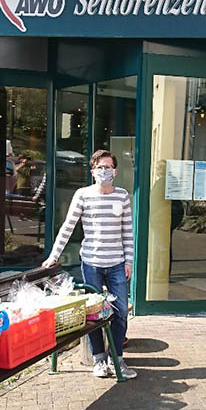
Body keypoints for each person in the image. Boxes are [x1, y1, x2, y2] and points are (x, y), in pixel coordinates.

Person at [42, 150, 136, 380]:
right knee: (93, 314)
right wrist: (54, 256)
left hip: (116, 264)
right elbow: (68, 226)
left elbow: (127, 231)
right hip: (92, 263)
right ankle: (99, 359)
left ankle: (118, 359)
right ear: (93, 172)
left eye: (108, 167)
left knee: (121, 311)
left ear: (115, 170)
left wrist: (129, 261)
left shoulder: (122, 196)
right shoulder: (83, 195)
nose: (105, 171)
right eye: (100, 167)